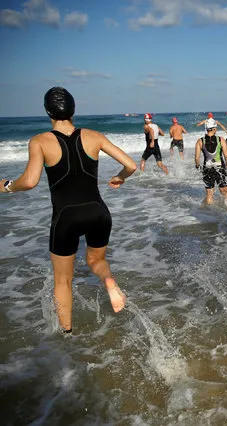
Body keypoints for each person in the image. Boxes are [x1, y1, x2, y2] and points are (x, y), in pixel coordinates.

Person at [0, 87, 136, 333]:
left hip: (66, 217)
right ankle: (109, 281)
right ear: (74, 110)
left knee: (63, 280)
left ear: (47, 111)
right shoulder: (94, 136)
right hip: (98, 212)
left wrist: (7, 186)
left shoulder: (40, 141)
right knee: (97, 259)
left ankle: (67, 332)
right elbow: (131, 165)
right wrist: (120, 177)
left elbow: (29, 181)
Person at [195, 119, 227, 204]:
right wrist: (226, 164)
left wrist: (197, 165)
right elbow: (226, 155)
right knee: (224, 190)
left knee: (209, 194)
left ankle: (209, 213)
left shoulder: (200, 141)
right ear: (214, 128)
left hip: (207, 168)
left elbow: (197, 158)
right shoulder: (221, 139)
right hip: (219, 167)